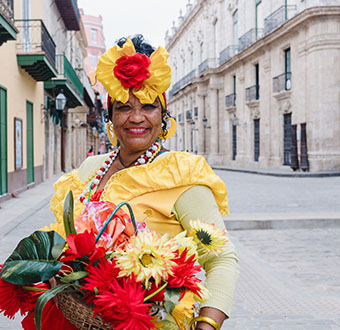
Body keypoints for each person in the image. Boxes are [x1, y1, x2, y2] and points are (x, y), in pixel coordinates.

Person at [46, 35, 239, 330]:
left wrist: (207, 325)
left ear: (163, 117)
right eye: (124, 107)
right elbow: (63, 241)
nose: (136, 117)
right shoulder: (89, 169)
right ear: (110, 117)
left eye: (148, 106)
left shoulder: (182, 175)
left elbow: (222, 259)